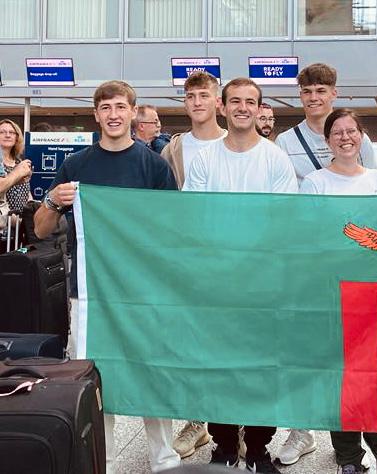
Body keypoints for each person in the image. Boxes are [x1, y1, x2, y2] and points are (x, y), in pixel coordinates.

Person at [33, 80, 181, 474]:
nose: (113, 115)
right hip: (89, 291)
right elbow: (42, 229)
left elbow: (173, 229)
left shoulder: (154, 166)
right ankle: (103, 460)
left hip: (143, 290)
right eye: (105, 108)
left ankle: (164, 460)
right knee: (92, 374)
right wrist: (52, 200)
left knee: (151, 369)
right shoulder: (76, 165)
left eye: (120, 107)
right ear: (96, 115)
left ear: (133, 112)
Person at [183, 77, 297, 474]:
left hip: (263, 282)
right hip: (217, 281)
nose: (243, 108)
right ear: (223, 107)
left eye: (250, 101)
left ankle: (259, 446)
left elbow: (283, 220)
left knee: (263, 366)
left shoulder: (275, 158)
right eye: (235, 101)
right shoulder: (205, 159)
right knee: (218, 366)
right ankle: (225, 444)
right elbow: (195, 218)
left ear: (260, 108)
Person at [300, 109, 377, 474]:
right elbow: (308, 236)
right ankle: (348, 457)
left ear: (362, 136)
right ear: (327, 140)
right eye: (337, 132)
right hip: (332, 290)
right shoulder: (315, 182)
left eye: (351, 131)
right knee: (338, 375)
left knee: (374, 373)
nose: (345, 137)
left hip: (373, 291)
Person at [159, 71, 227, 458]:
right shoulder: (174, 149)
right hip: (190, 259)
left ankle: (232, 420)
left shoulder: (236, 141)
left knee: (229, 340)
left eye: (204, 95)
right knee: (194, 342)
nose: (197, 102)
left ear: (218, 101)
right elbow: (162, 204)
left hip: (231, 260)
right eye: (190, 96)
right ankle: (197, 420)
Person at [276, 63, 376, 187]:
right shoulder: (285, 142)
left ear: (334, 94)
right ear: (300, 96)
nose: (313, 98)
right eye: (307, 92)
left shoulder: (357, 139)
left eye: (321, 91)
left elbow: (372, 183)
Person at [0, 119, 32, 214]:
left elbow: (26, 192)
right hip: (4, 220)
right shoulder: (19, 168)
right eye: (2, 132)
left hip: (21, 220)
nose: (7, 135)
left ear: (17, 137)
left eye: (12, 132)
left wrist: (32, 206)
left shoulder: (19, 162)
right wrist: (17, 173)